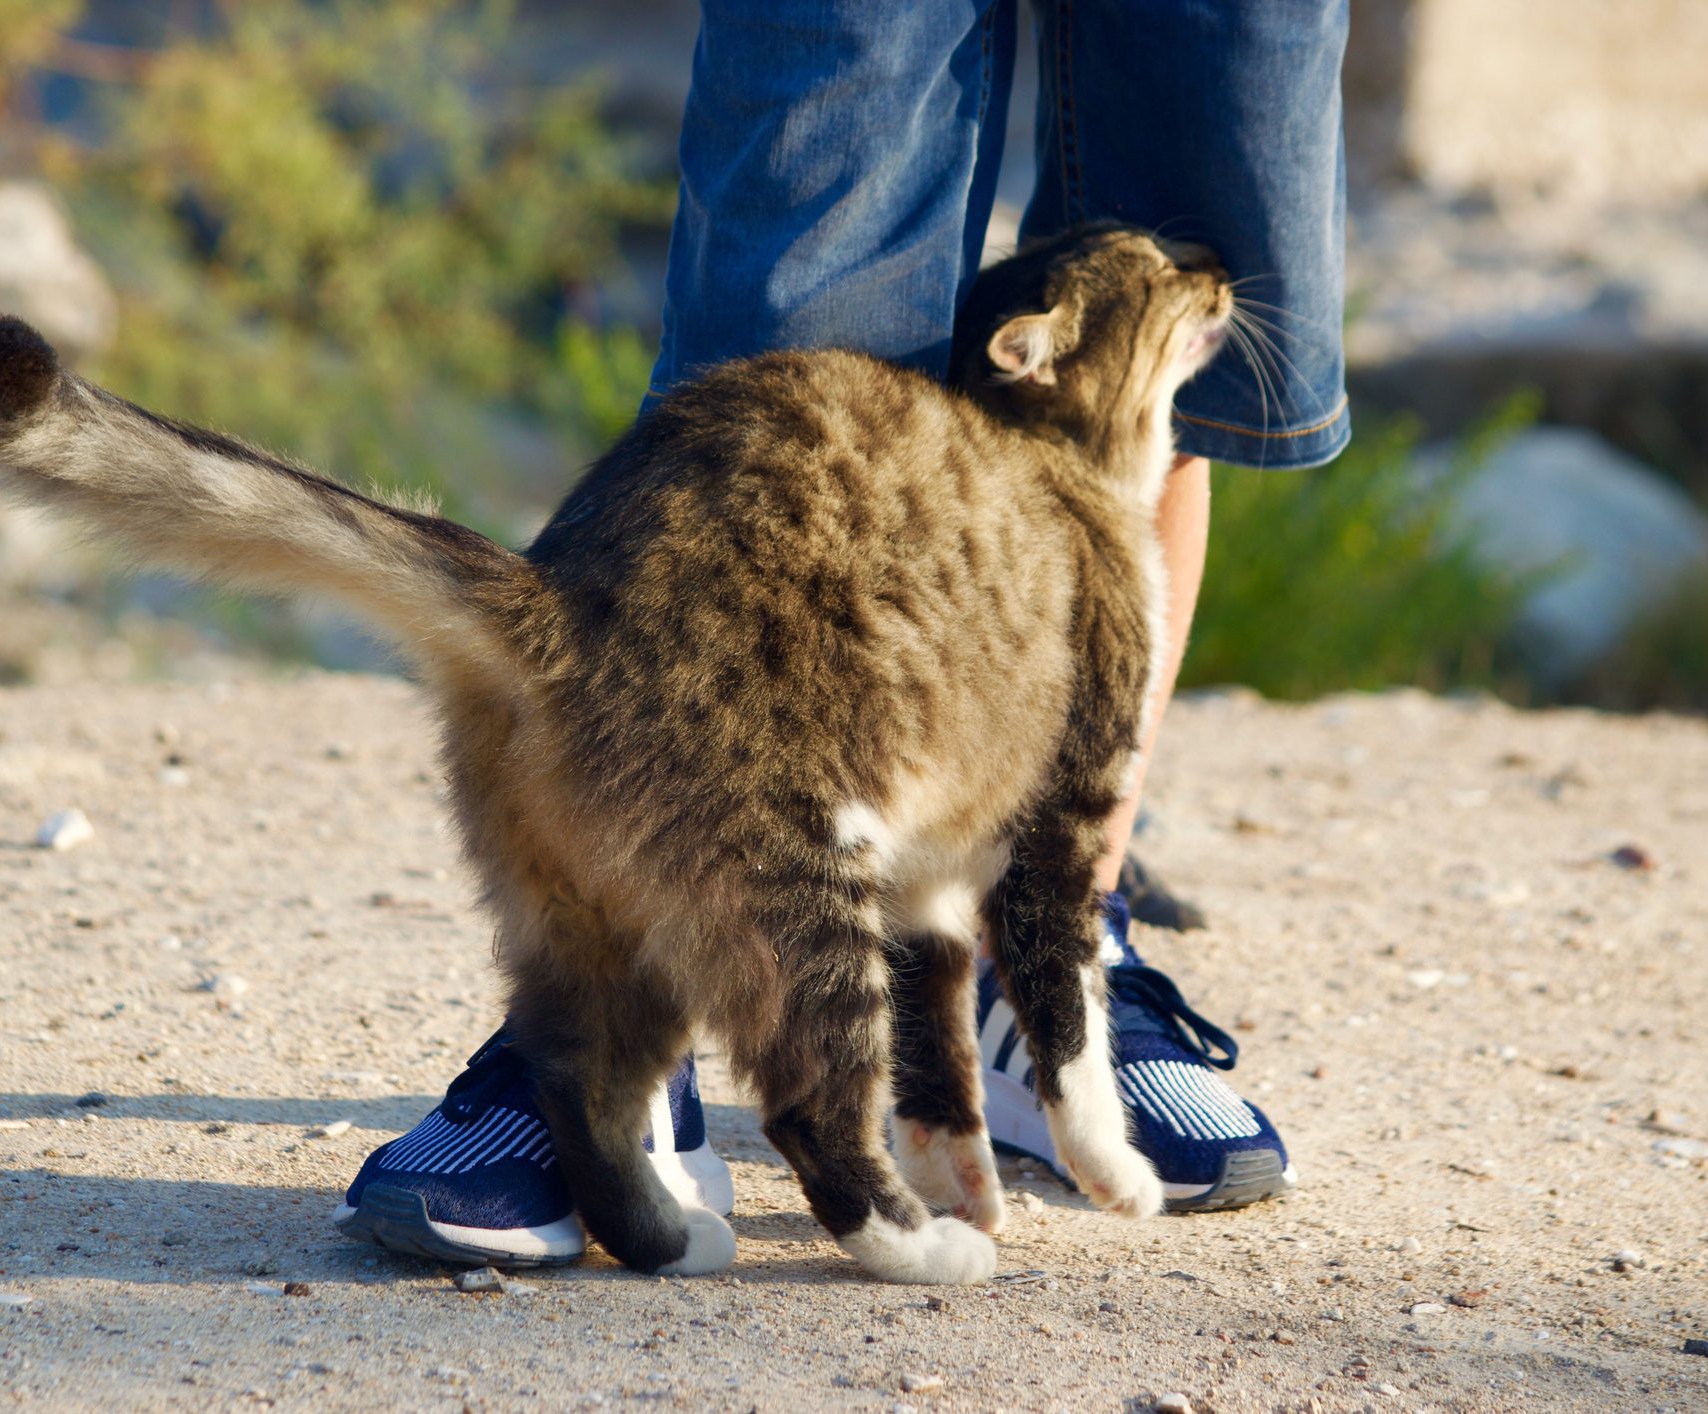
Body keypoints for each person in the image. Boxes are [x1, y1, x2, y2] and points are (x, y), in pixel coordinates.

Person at [335, 0, 1350, 1266]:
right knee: (825, 149)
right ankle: (646, 991)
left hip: (999, 635)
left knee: (1214, 127)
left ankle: (1041, 965)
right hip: (716, 707)